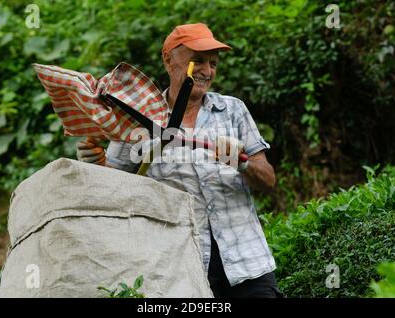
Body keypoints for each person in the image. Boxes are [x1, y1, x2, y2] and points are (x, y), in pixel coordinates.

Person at [76, 23, 283, 298]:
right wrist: (96, 163)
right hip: (180, 269)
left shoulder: (232, 110)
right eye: (197, 60)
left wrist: (241, 162)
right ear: (169, 59)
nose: (207, 71)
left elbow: (268, 181)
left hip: (247, 264)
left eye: (213, 63)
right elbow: (112, 190)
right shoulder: (139, 122)